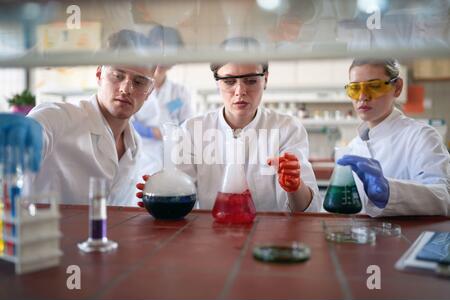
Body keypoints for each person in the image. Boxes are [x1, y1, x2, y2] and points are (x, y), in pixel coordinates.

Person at [136, 37, 321, 213]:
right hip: (211, 236)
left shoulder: (287, 129)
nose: (240, 91)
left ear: (265, 79)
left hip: (270, 239)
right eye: (229, 81)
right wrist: (164, 194)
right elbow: (182, 198)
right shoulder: (192, 130)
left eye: (251, 80)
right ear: (217, 82)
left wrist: (295, 186)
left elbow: (308, 209)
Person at [2, 29, 157, 206]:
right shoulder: (58, 117)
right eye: (118, 76)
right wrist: (21, 133)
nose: (126, 88)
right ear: (99, 74)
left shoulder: (134, 145)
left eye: (139, 82)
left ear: (148, 92)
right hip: (42, 233)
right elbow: (37, 129)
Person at [338, 58, 450, 217]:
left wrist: (390, 191)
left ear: (397, 88)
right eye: (355, 88)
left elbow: (443, 198)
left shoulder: (420, 136)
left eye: (374, 86)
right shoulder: (353, 146)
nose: (362, 96)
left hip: (409, 240)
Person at [132, 25, 193, 170]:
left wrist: (173, 134)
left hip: (173, 162)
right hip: (142, 162)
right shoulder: (135, 86)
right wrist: (152, 133)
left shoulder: (180, 93)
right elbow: (127, 122)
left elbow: (188, 125)